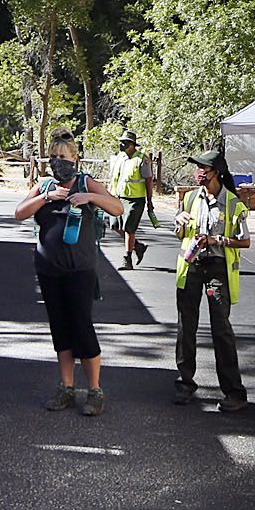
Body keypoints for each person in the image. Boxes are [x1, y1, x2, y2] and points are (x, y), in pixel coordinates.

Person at [16, 131, 121, 414]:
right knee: (60, 328)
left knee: (81, 327)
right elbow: (19, 213)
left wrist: (87, 197)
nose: (57, 162)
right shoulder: (44, 185)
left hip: (80, 269)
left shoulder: (86, 182)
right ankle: (66, 387)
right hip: (50, 270)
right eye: (53, 157)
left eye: (63, 157)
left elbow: (117, 207)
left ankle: (95, 390)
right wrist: (46, 197)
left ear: (75, 158)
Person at [173, 148, 251, 414]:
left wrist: (218, 240)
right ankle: (185, 383)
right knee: (186, 326)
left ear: (217, 172)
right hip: (191, 267)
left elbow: (245, 241)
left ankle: (234, 392)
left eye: (203, 169)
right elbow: (180, 233)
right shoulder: (190, 198)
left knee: (221, 329)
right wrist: (179, 221)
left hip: (217, 270)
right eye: (197, 169)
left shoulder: (232, 203)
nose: (199, 173)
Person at [105, 130, 152, 270]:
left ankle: (127, 258)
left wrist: (150, 201)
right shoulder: (120, 158)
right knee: (115, 226)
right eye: (121, 142)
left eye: (125, 142)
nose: (121, 145)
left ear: (132, 145)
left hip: (135, 200)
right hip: (118, 198)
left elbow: (148, 180)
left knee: (129, 228)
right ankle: (137, 246)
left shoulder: (142, 159)